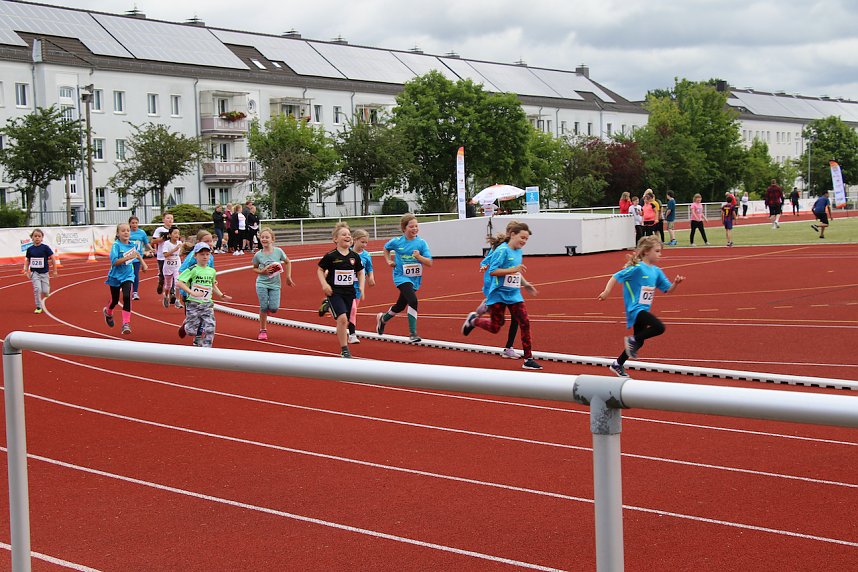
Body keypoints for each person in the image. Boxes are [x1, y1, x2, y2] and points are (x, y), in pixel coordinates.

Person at [597, 236, 685, 377]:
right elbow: (615, 276)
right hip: (635, 309)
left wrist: (676, 283)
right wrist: (606, 291)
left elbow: (668, 289)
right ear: (646, 252)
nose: (659, 254)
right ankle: (631, 341)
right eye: (656, 251)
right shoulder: (637, 269)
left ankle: (617, 364)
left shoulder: (656, 271)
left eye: (660, 251)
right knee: (659, 327)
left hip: (643, 310)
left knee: (639, 341)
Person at [462, 222, 542, 370]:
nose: (524, 241)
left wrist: (526, 284)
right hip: (498, 294)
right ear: (513, 235)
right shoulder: (502, 251)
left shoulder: (518, 252)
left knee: (524, 322)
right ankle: (474, 321)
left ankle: (528, 359)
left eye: (526, 239)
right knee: (496, 327)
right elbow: (493, 271)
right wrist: (512, 269)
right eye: (522, 238)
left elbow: (516, 272)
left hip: (514, 294)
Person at [376, 213, 432, 343]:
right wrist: (388, 260)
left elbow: (429, 262)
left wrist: (419, 257)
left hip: (415, 279)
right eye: (411, 226)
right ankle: (413, 333)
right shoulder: (397, 242)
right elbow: (386, 248)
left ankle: (382, 319)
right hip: (401, 277)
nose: (414, 229)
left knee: (400, 305)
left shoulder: (421, 243)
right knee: (413, 301)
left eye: (416, 226)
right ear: (404, 228)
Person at [317, 223, 364, 358]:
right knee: (342, 319)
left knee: (346, 320)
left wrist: (361, 286)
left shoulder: (354, 256)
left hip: (349, 292)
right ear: (335, 239)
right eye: (343, 234)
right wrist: (324, 284)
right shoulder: (331, 256)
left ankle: (327, 306)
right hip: (334, 292)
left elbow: (360, 272)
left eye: (349, 234)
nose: (347, 236)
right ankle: (344, 349)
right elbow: (320, 270)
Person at [177, 243, 231, 347]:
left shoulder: (212, 271)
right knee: (191, 331)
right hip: (193, 304)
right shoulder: (192, 269)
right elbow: (179, 283)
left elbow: (212, 285)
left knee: (210, 327)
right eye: (202, 254)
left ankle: (207, 349)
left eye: (207, 254)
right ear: (195, 256)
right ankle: (186, 326)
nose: (205, 257)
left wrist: (221, 295)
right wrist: (191, 292)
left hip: (207, 304)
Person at [104, 222, 147, 335]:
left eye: (128, 230)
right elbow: (115, 262)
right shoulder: (116, 246)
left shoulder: (132, 245)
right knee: (114, 300)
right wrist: (127, 257)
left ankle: (126, 323)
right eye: (123, 231)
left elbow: (137, 254)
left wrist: (143, 263)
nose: (126, 232)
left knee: (127, 297)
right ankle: (108, 312)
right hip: (115, 276)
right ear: (118, 233)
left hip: (128, 275)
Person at [252, 227, 293, 341]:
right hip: (262, 283)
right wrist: (262, 271)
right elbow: (254, 268)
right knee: (263, 307)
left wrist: (288, 276)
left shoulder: (278, 251)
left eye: (267, 237)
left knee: (274, 308)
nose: (264, 239)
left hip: (275, 284)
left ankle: (269, 309)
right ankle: (263, 330)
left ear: (272, 239)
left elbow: (288, 262)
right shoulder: (258, 255)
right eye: (262, 237)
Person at [347, 228, 374, 344]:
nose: (364, 245)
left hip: (358, 287)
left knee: (352, 310)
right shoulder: (346, 252)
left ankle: (348, 330)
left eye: (366, 242)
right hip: (346, 286)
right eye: (362, 242)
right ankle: (352, 334)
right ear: (355, 240)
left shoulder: (366, 255)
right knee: (351, 309)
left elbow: (369, 268)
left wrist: (371, 277)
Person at [23, 228, 57, 314]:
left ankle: (46, 293)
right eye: (35, 236)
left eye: (39, 236)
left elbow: (53, 257)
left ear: (42, 238)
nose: (37, 238)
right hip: (35, 273)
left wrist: (55, 270)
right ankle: (38, 306)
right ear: (32, 238)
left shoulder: (45, 248)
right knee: (37, 289)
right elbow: (27, 260)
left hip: (44, 273)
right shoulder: (30, 249)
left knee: (45, 291)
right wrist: (26, 270)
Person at [128, 216, 151, 300]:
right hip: (127, 257)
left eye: (136, 223)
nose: (134, 224)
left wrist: (151, 248)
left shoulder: (142, 233)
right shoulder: (127, 232)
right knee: (127, 274)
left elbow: (146, 243)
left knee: (135, 274)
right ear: (129, 224)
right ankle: (126, 289)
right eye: (132, 223)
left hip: (137, 257)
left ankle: (135, 292)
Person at [151, 212, 174, 295]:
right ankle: (161, 283)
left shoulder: (174, 230)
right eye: (168, 218)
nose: (170, 220)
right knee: (163, 273)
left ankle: (172, 292)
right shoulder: (159, 229)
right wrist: (162, 238)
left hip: (172, 256)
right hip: (162, 256)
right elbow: (153, 241)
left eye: (171, 218)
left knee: (173, 273)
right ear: (163, 219)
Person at [161, 227, 184, 309]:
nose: (177, 235)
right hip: (168, 266)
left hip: (177, 265)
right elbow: (165, 255)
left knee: (178, 283)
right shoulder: (167, 244)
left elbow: (182, 252)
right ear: (170, 235)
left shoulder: (180, 243)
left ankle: (177, 301)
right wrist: (175, 249)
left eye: (178, 233)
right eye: (175, 233)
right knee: (168, 286)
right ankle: (166, 295)